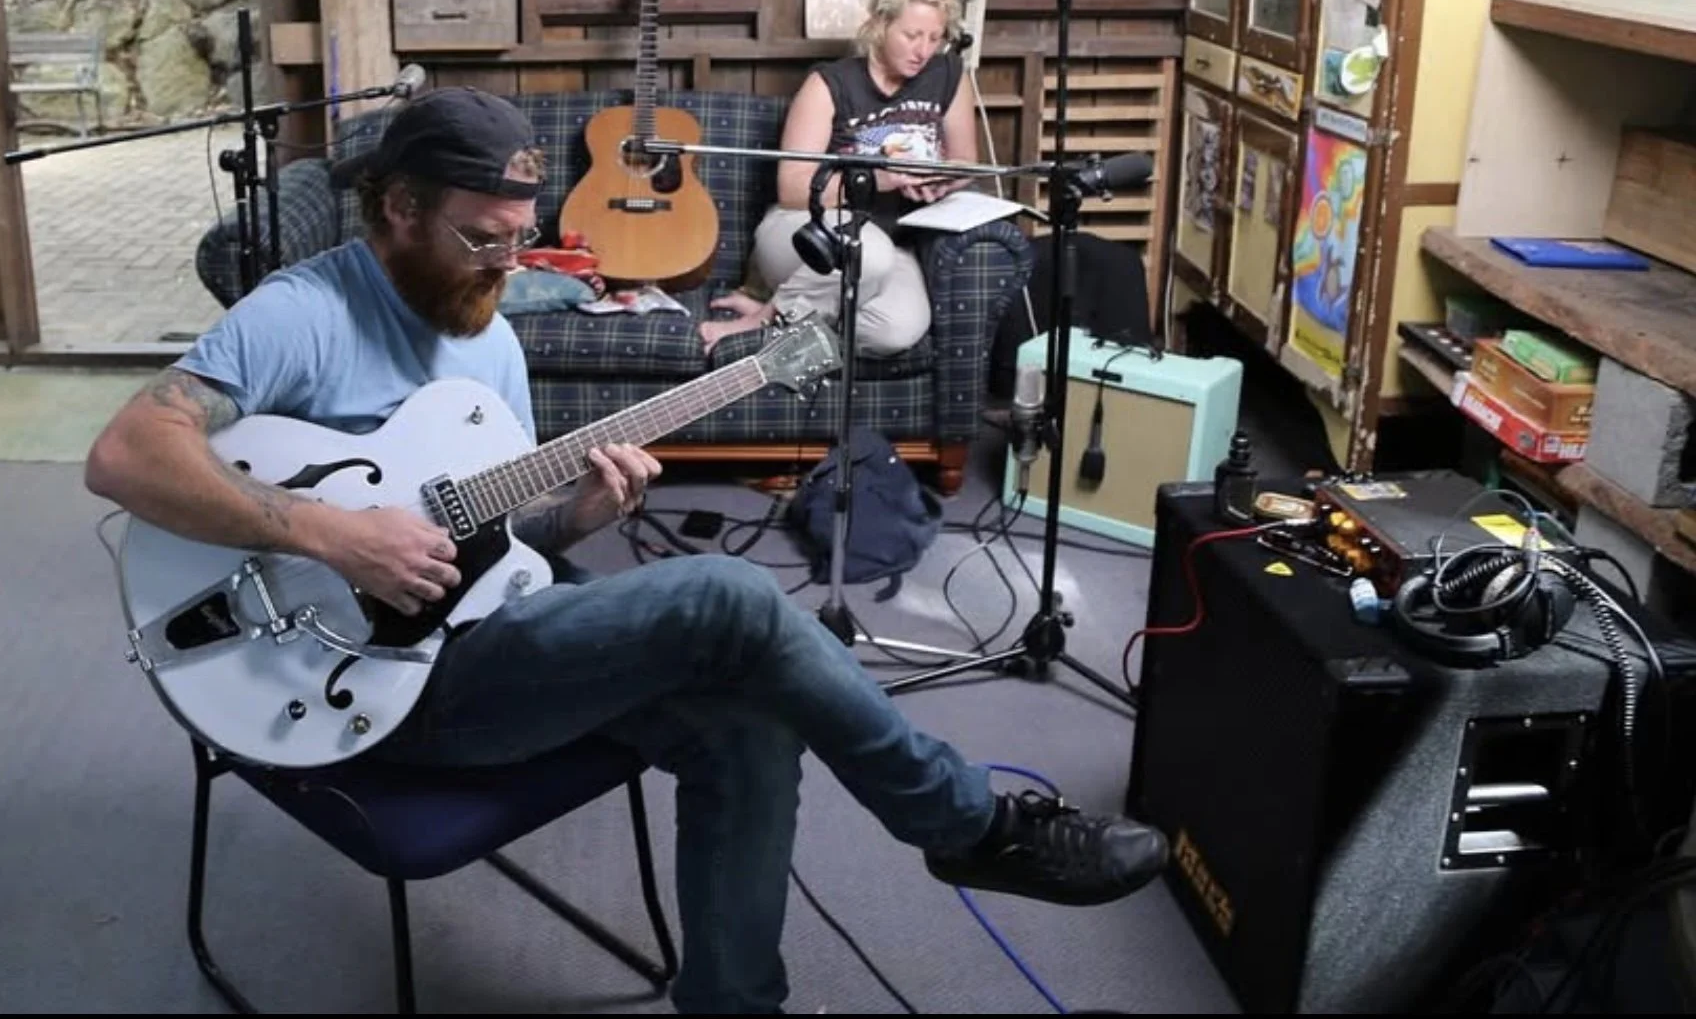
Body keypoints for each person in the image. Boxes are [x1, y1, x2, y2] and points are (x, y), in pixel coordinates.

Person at [85, 85, 1166, 1016]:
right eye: (481, 237)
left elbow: (497, 539)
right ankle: (967, 822)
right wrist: (330, 531)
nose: (507, 263)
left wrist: (577, 517)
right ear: (399, 208)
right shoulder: (301, 313)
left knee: (745, 724)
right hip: (349, 686)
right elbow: (127, 455)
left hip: (474, 642)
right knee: (729, 598)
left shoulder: (488, 335)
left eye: (520, 238)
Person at [701, 0, 979, 358]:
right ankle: (762, 323)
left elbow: (966, 163)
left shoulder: (949, 76)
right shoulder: (829, 83)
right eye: (911, 35)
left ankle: (787, 325)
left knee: (896, 330)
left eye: (934, 37)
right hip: (804, 231)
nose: (923, 50)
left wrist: (943, 183)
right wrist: (878, 180)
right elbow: (793, 189)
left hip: (888, 243)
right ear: (879, 22)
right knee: (870, 254)